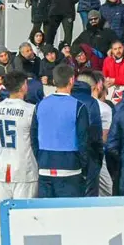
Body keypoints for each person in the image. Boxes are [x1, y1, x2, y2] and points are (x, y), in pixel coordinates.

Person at [31, 65, 90, 198]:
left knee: (46, 214)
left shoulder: (40, 105)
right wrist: (84, 167)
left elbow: (33, 136)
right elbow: (83, 140)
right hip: (70, 167)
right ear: (72, 80)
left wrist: (40, 159)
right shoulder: (79, 107)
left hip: (45, 164)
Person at [0, 72, 38, 204]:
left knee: (4, 215)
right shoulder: (30, 109)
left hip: (3, 166)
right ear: (23, 86)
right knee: (24, 216)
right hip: (24, 169)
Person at [69, 70, 105, 196]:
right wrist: (98, 158)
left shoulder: (66, 99)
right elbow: (96, 134)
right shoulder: (91, 102)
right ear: (93, 87)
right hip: (88, 155)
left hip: (66, 157)